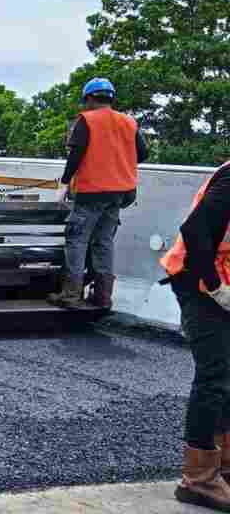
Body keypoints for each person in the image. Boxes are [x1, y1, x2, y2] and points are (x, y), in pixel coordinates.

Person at [158, 161, 230, 510]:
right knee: (214, 374)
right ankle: (199, 480)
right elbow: (195, 228)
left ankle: (224, 467)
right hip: (199, 281)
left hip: (222, 281)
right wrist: (217, 288)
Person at [48, 78, 148, 308]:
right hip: (120, 193)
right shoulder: (129, 122)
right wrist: (117, 162)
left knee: (77, 240)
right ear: (111, 98)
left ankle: (71, 295)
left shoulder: (87, 120)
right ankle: (103, 296)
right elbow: (142, 154)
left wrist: (64, 184)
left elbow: (76, 155)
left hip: (92, 192)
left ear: (89, 99)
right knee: (103, 242)